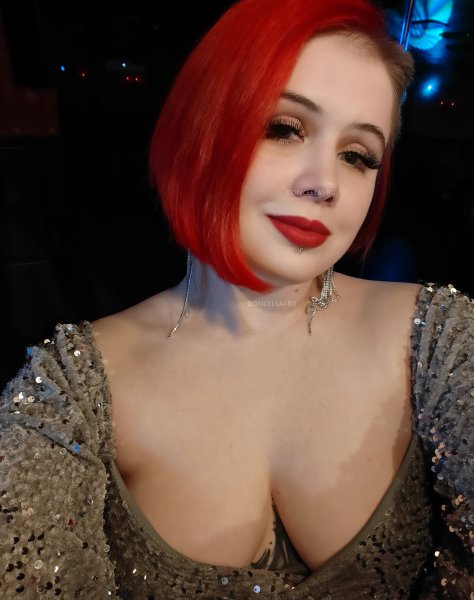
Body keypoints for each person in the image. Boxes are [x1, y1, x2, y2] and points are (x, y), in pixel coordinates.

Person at [1, 0, 473, 597]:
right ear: (201, 128)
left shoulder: (438, 339)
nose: (325, 184)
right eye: (284, 128)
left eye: (357, 156)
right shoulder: (68, 391)